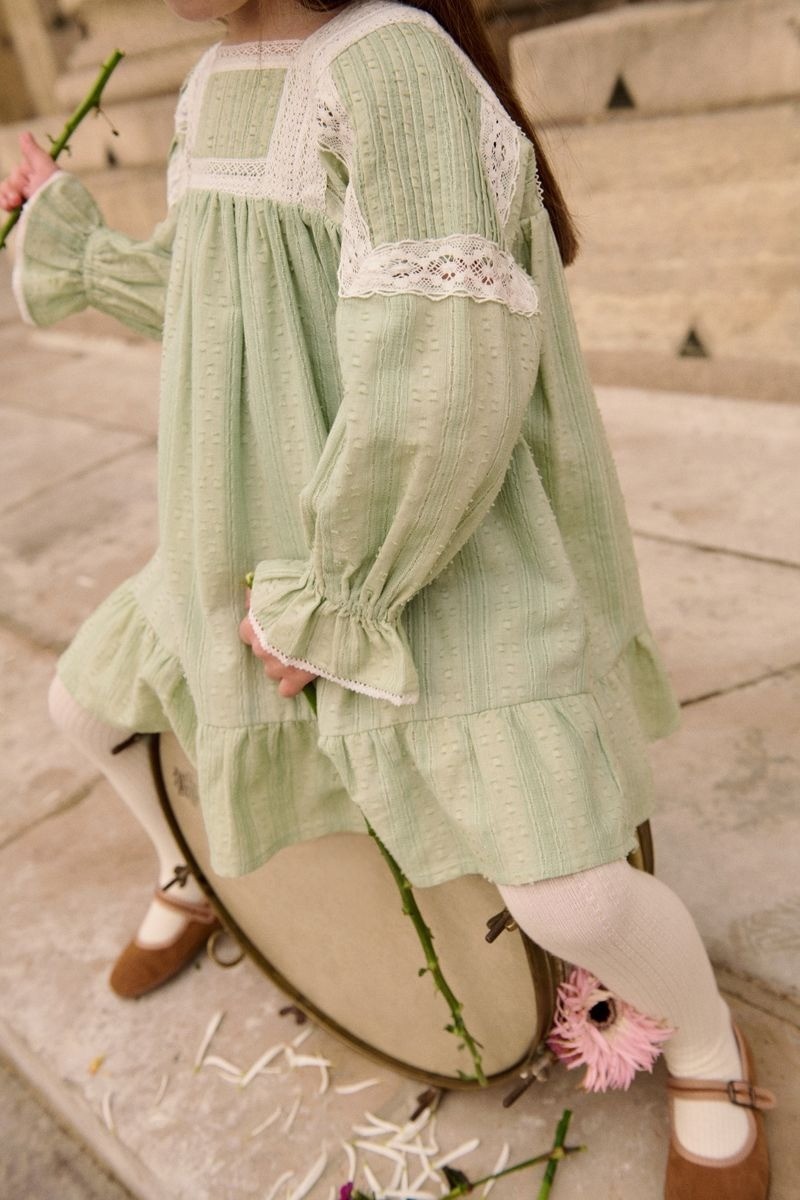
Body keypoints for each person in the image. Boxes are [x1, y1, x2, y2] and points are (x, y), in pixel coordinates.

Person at [1, 0, 775, 1194]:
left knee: (564, 894)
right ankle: (187, 868)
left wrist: (336, 595)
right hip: (255, 519)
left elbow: (443, 376)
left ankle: (708, 1051)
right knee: (84, 707)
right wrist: (73, 239)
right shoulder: (211, 82)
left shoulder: (387, 65)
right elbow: (223, 310)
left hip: (431, 536)